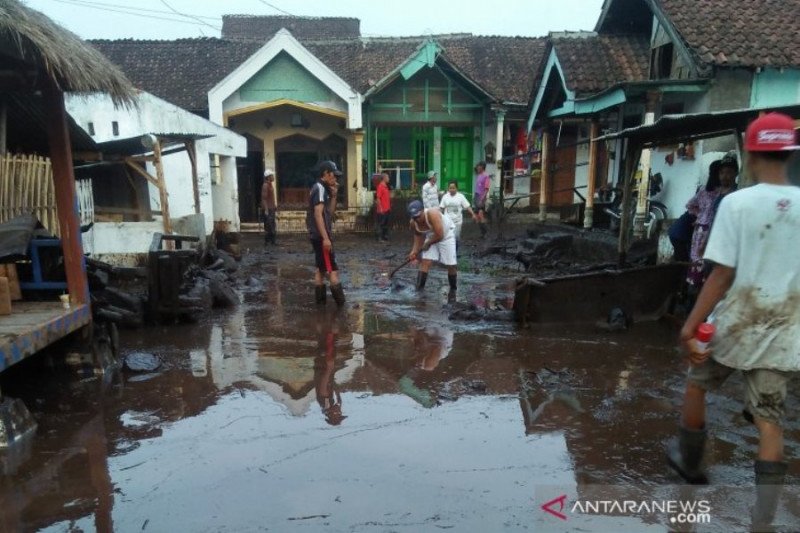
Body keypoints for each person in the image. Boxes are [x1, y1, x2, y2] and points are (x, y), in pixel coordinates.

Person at [667, 113, 800, 529]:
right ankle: (761, 521)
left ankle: (691, 467)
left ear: (750, 154)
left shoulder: (736, 203)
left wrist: (691, 324)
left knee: (697, 384)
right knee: (769, 420)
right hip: (784, 326)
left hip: (737, 319)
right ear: (791, 154)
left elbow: (721, 274)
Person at [306, 161, 345, 307]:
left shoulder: (322, 189)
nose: (335, 179)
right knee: (333, 270)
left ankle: (320, 307)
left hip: (317, 236)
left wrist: (334, 196)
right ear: (326, 173)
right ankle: (341, 307)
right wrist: (326, 238)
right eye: (334, 175)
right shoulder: (320, 188)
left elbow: (328, 213)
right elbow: (317, 215)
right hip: (321, 236)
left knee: (321, 270)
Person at [407, 200, 458, 298]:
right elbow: (418, 236)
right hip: (430, 236)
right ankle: (419, 289)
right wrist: (414, 251)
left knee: (450, 264)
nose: (417, 219)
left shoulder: (432, 214)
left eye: (418, 216)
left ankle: (453, 289)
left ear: (422, 210)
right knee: (425, 261)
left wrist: (428, 243)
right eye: (414, 217)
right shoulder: (413, 223)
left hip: (446, 235)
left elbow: (440, 235)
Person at [439, 180, 476, 247]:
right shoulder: (445, 197)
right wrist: (438, 218)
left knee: (456, 238)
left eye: (453, 188)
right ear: (448, 188)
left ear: (457, 188)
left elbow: (467, 206)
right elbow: (441, 208)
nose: (452, 190)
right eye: (450, 188)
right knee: (447, 238)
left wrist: (473, 214)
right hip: (447, 221)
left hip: (457, 222)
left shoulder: (460, 196)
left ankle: (455, 251)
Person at [473, 161, 491, 238]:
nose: (477, 168)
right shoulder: (479, 175)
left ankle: (487, 232)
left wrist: (482, 199)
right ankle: (483, 233)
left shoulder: (486, 176)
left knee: (481, 215)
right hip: (477, 196)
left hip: (481, 197)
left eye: (478, 166)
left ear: (482, 167)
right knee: (477, 218)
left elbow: (486, 189)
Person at [261, 169, 277, 246]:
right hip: (268, 209)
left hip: (271, 208)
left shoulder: (270, 184)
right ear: (268, 177)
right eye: (272, 175)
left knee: (272, 224)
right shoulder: (265, 185)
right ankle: (267, 242)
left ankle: (272, 241)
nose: (273, 177)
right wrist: (266, 210)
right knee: (269, 225)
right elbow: (264, 199)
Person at [375, 172, 391, 242]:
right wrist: (380, 208)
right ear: (384, 178)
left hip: (387, 208)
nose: (388, 179)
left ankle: (384, 236)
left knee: (385, 224)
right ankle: (379, 238)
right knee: (381, 224)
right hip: (382, 209)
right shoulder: (380, 186)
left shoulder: (385, 186)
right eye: (387, 177)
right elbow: (378, 198)